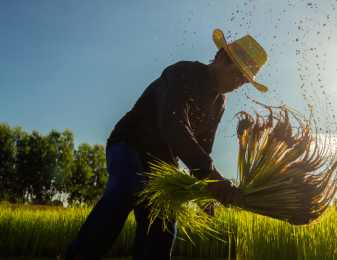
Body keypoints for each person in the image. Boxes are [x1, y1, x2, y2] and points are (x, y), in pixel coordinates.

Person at [64, 29, 269, 260]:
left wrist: (204, 192)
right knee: (129, 185)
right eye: (237, 73)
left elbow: (204, 149)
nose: (238, 83)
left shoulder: (219, 103)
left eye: (244, 80)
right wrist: (212, 175)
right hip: (130, 144)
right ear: (221, 57)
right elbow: (172, 124)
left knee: (162, 226)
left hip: (162, 165)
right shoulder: (183, 73)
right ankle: (80, 254)